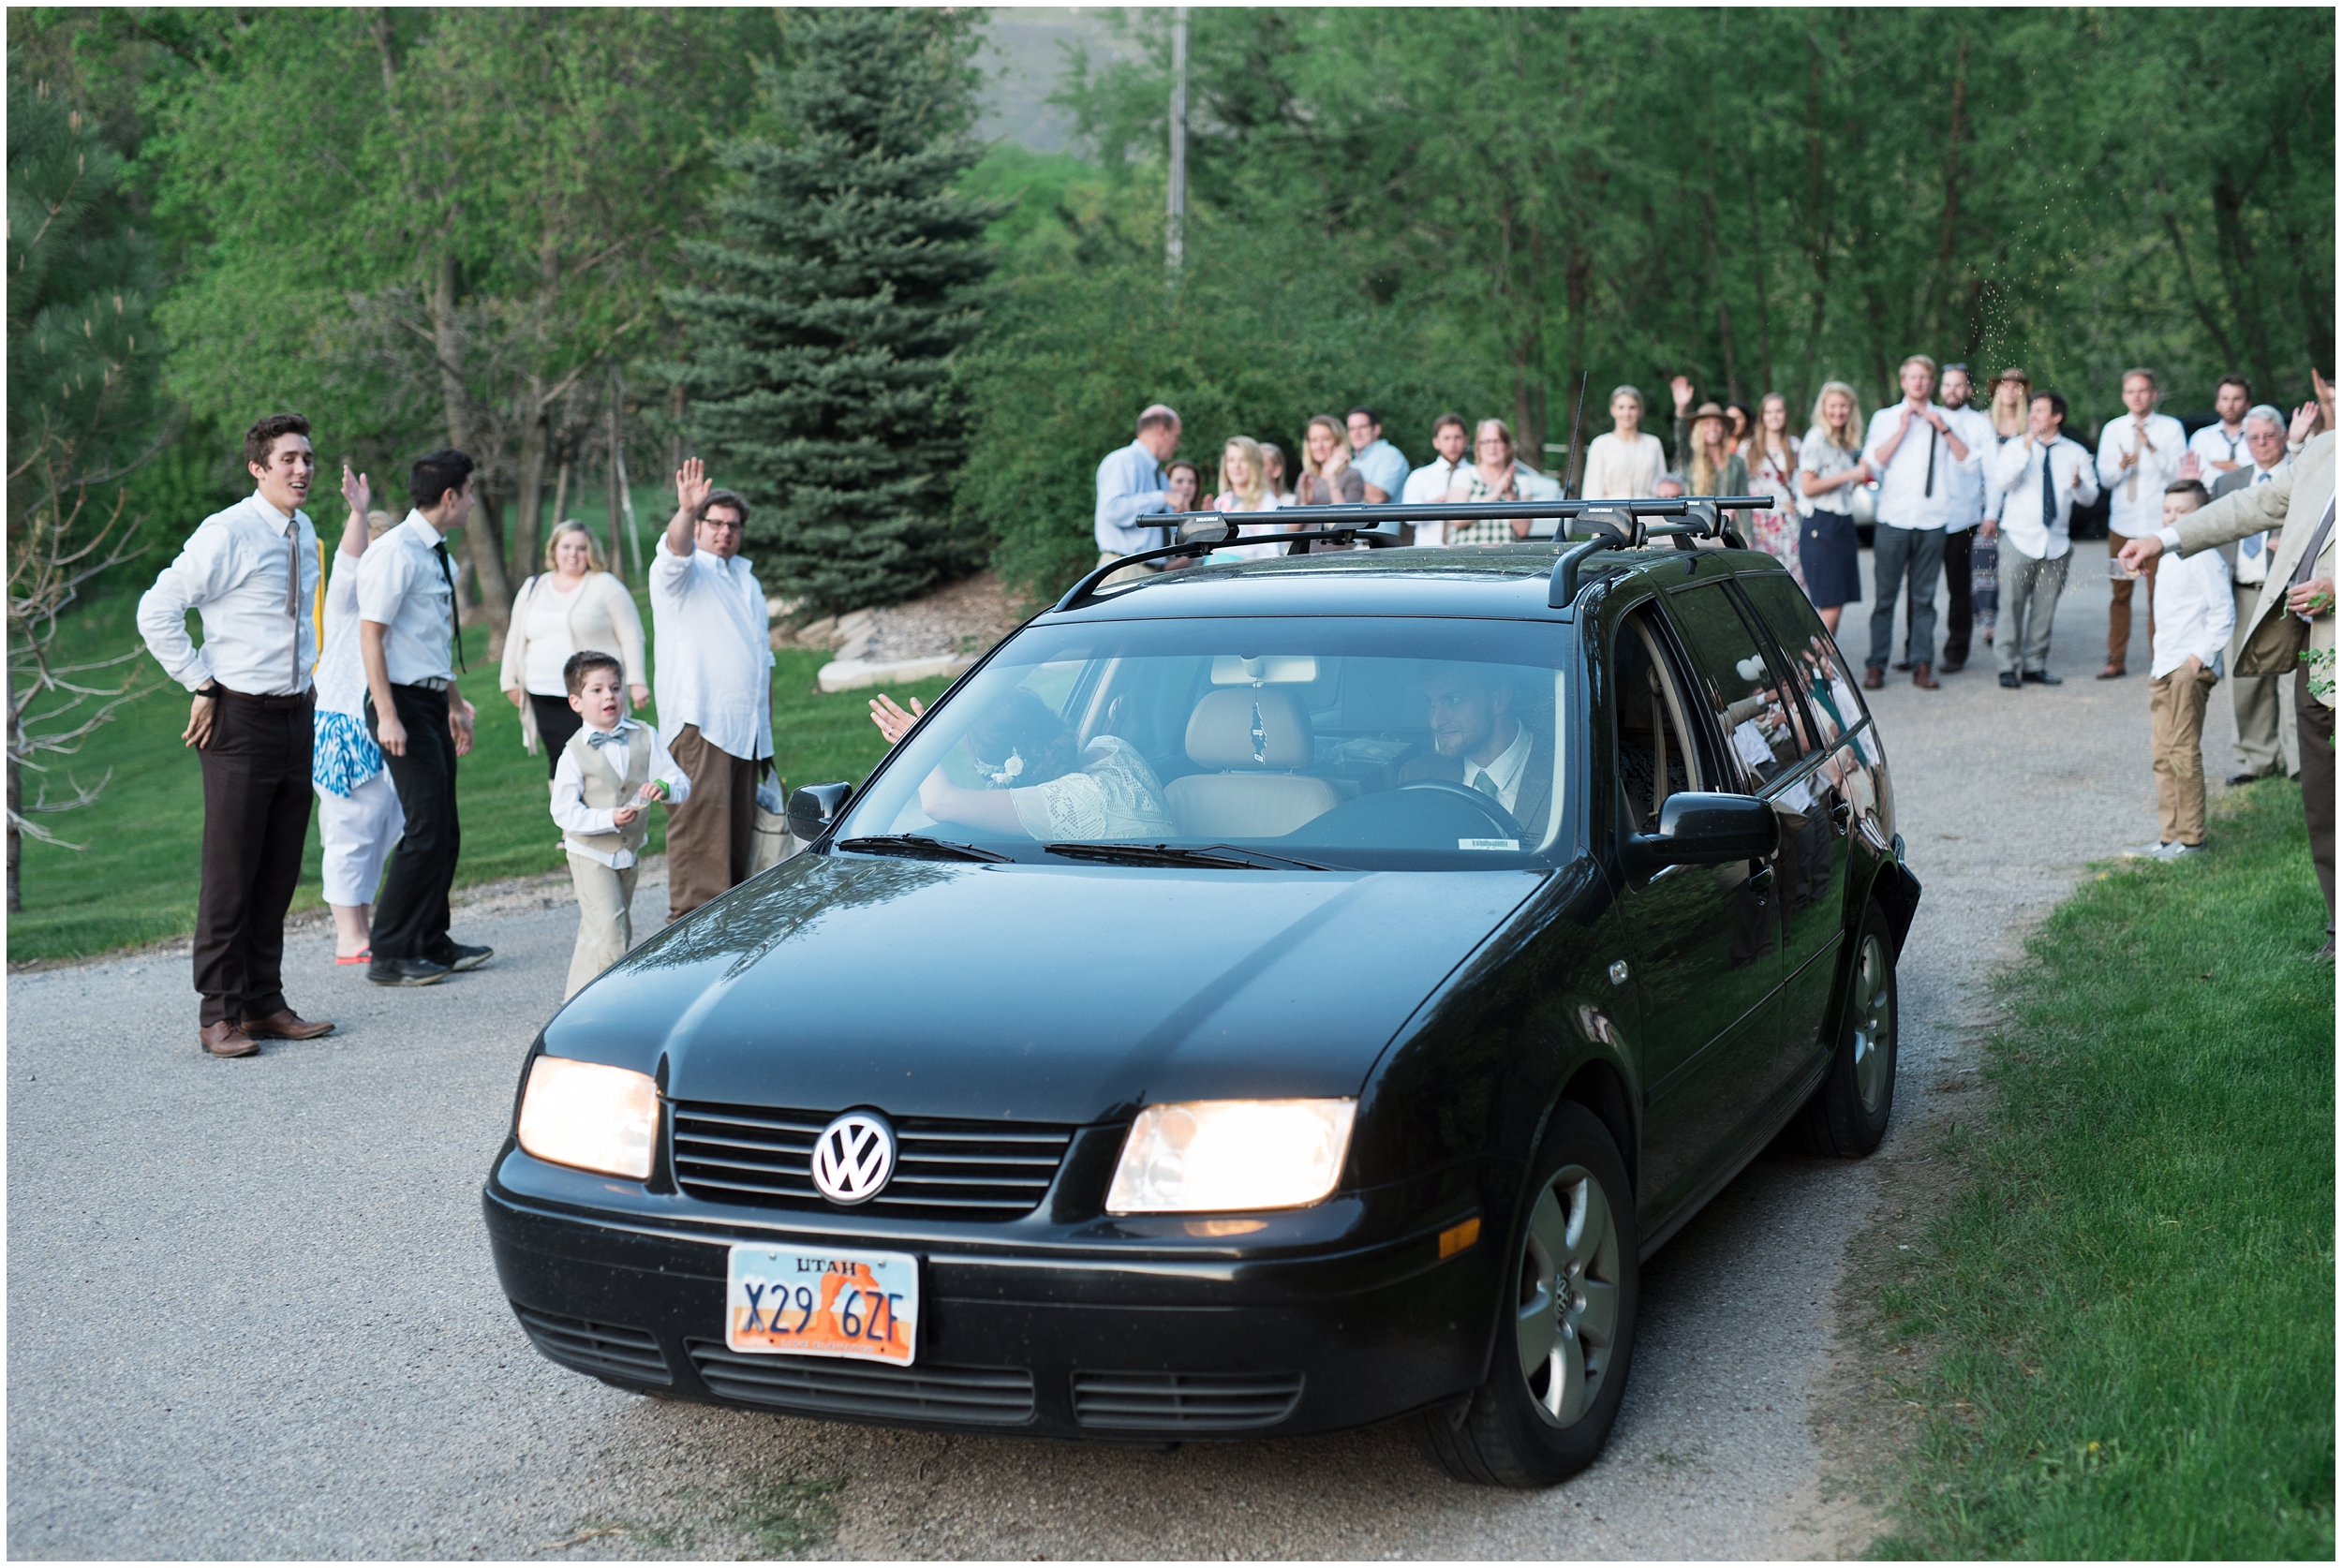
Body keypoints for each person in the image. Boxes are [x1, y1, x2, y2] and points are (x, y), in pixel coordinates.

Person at [134, 412, 336, 1055]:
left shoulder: (303, 528)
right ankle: (217, 1014)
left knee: (277, 870)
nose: (302, 470)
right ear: (258, 468)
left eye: (307, 458)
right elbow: (157, 609)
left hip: (294, 714)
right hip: (239, 719)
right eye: (288, 460)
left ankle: (262, 1003)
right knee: (231, 872)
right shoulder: (228, 533)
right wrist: (200, 682)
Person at [2120, 428, 2334, 952]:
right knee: (2325, 800)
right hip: (2318, 655)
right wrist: (2164, 539)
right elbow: (2251, 504)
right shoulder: (2326, 450)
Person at [359, 447, 490, 987]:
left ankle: (432, 941)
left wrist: (454, 704)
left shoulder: (437, 553)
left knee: (445, 829)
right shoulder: (396, 553)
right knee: (425, 828)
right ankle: (389, 953)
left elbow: (431, 640)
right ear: (450, 496)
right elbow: (371, 636)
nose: (473, 502)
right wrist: (388, 716)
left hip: (431, 700)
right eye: (470, 491)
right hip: (400, 704)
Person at [651, 458, 775, 923]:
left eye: (733, 525)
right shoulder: (683, 574)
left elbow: (762, 662)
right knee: (699, 838)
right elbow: (674, 552)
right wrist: (685, 511)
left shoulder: (746, 579)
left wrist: (766, 736)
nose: (725, 532)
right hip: (700, 724)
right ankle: (690, 933)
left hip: (746, 731)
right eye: (714, 522)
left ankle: (729, 934)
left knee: (739, 845)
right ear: (699, 525)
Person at [552, 651, 691, 998]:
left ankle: (573, 1003)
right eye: (596, 690)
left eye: (615, 687)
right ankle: (608, 1007)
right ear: (576, 702)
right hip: (589, 853)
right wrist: (607, 819)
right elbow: (563, 813)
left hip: (628, 852)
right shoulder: (572, 753)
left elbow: (680, 781)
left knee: (599, 930)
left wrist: (663, 786)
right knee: (613, 934)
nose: (609, 696)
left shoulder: (645, 735)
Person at [869, 687, 1177, 841]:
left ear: (1001, 765)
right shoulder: (1113, 749)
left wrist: (917, 741)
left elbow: (939, 802)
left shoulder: (1057, 805)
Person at [312, 472, 405, 965]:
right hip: (344, 721)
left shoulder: (394, 604)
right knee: (349, 829)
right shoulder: (347, 599)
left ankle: (365, 925)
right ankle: (350, 935)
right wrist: (356, 514)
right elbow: (347, 566)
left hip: (387, 720)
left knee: (388, 825)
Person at [2122, 481, 2233, 861]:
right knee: (2162, 753)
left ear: (2200, 516)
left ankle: (2192, 839)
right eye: (2167, 511)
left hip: (2187, 668)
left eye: (2181, 512)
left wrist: (2196, 660)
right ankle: (2168, 837)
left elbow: (2223, 612)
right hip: (2163, 665)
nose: (2171, 518)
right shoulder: (2168, 554)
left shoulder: (2204, 556)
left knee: (2183, 752)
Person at [499, 521, 648, 777]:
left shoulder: (606, 585)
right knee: (559, 762)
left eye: (581, 548)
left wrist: (637, 681)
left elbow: (632, 635)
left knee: (597, 762)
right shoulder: (534, 587)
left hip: (593, 694)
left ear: (591, 552)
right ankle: (566, 816)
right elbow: (515, 636)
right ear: (553, 550)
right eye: (566, 546)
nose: (573, 554)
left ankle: (604, 814)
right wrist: (508, 680)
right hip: (543, 691)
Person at [1860, 354, 1973, 689]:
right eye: (1913, 377)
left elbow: (1968, 462)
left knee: (1924, 598)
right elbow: (1872, 464)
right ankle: (1876, 664)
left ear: (1932, 382)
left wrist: (1941, 426)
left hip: (1933, 519)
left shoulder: (1946, 419)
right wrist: (1903, 428)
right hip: (1893, 518)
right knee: (1885, 597)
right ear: (1903, 382)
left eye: (1925, 377)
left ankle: (1923, 663)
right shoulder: (1885, 418)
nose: (1919, 382)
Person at [2208, 407, 2296, 784]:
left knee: (2293, 679)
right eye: (2253, 438)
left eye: (2269, 436)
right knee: (2244, 677)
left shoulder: (2300, 477)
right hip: (2242, 591)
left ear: (2282, 436)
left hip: (2289, 592)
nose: (2262, 445)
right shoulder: (2230, 483)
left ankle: (2299, 762)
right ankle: (2257, 760)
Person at [1989, 391, 2099, 688]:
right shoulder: (2014, 446)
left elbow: (2091, 498)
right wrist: (2025, 447)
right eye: (2032, 410)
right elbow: (2004, 482)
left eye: (2040, 410)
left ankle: (2035, 664)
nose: (2033, 415)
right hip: (2019, 539)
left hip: (2056, 542)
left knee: (2044, 608)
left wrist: (2078, 487)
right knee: (2010, 605)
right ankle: (2006, 667)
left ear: (2056, 417)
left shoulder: (2075, 452)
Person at [2095, 368, 2186, 679]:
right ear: (2124, 396)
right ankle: (2115, 658)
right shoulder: (2113, 429)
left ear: (2153, 395)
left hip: (2158, 528)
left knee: (2158, 594)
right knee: (2120, 593)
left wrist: (2149, 446)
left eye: (2143, 390)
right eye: (2131, 391)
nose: (2136, 396)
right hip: (2123, 525)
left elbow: (2178, 476)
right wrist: (2120, 466)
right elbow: (2104, 479)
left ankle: (2159, 660)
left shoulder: (2170, 428)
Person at [1397, 663, 1554, 844]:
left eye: (1453, 700)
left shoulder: (1570, 770)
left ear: (1499, 700)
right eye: (1431, 703)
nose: (1435, 721)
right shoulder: (1417, 778)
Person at [1934, 364, 1999, 673]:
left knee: (1959, 589)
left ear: (1969, 390)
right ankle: (1913, 651)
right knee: (1918, 588)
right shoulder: (1928, 417)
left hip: (1963, 518)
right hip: (1926, 517)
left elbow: (1992, 473)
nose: (1952, 391)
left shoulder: (1979, 425)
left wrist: (1992, 514)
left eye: (1959, 385)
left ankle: (1956, 651)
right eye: (1947, 385)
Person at [1796, 380, 1870, 634]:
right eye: (1833, 406)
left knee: (1836, 604)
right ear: (1823, 408)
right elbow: (1808, 486)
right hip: (1822, 524)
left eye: (1844, 406)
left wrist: (1855, 477)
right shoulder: (1816, 437)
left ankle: (1824, 668)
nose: (1838, 411)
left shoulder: (1843, 441)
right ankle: (1813, 668)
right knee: (1830, 605)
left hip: (1842, 524)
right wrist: (1849, 474)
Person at [1094, 405, 1181, 580]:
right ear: (1162, 432)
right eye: (1176, 436)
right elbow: (1114, 510)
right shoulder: (1122, 461)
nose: (1177, 444)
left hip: (1155, 572)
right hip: (1123, 569)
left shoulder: (1160, 476)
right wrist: (1162, 498)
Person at [1444, 418, 1560, 542]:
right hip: (1466, 558)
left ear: (1506, 445)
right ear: (1478, 446)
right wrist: (1495, 493)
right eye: (1486, 441)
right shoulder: (1464, 475)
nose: (1492, 446)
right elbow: (1457, 521)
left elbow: (1523, 530)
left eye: (1497, 441)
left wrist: (1510, 494)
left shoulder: (1521, 482)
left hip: (1504, 559)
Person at [1742, 392, 1803, 588]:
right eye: (1769, 412)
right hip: (1760, 522)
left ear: (1785, 414)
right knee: (1763, 577)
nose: (1774, 416)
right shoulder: (1748, 448)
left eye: (1778, 411)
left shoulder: (1794, 446)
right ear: (1762, 416)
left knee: (1790, 574)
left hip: (1787, 520)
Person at [1579, 386, 1667, 501]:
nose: (1627, 413)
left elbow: (1663, 487)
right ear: (1612, 410)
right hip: (1612, 513)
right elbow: (1592, 490)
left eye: (1632, 407)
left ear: (1640, 410)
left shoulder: (1653, 444)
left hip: (1648, 513)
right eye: (1621, 407)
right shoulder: (1601, 444)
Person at [1212, 436, 1291, 561]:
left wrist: (1235, 533)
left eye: (1243, 460)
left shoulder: (1268, 503)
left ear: (1255, 463)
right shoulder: (1220, 501)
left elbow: (1272, 555)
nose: (1236, 466)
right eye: (1231, 460)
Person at [1401, 413, 1471, 546]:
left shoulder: (1475, 474)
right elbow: (1408, 518)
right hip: (1428, 555)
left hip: (1467, 552)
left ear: (1466, 439)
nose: (1453, 444)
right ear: (1436, 442)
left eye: (1457, 437)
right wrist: (1446, 499)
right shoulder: (1420, 476)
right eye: (1447, 438)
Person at [2186, 375, 2255, 480]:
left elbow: (2259, 475)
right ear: (2217, 404)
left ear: (2247, 404)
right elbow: (2202, 479)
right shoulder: (2201, 438)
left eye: (2236, 399)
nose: (2230, 405)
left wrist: (2223, 465)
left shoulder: (2260, 437)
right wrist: (2241, 469)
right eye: (2225, 399)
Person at [1684, 402, 1750, 503]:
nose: (1713, 428)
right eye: (1707, 424)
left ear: (1723, 428)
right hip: (1701, 518)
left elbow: (1744, 500)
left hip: (1729, 518)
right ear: (1699, 429)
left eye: (1717, 423)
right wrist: (1681, 407)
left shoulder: (1737, 462)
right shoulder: (1690, 459)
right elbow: (1680, 440)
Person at [1294, 414, 1365, 508]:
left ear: (1338, 441)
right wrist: (1304, 502)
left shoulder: (1352, 475)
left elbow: (1347, 518)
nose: (1319, 446)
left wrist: (1331, 479)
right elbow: (1292, 522)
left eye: (1326, 439)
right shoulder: (1306, 476)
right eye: (1314, 440)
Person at [1344, 407, 1409, 504]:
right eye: (1352, 428)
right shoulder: (1353, 462)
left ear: (1376, 429)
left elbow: (1378, 498)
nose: (1356, 432)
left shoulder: (1390, 455)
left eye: (1362, 427)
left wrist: (1340, 473)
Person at [1259, 440, 1297, 504]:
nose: (1255, 469)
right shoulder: (1242, 503)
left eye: (1261, 464)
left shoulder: (1291, 503)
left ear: (1277, 471)